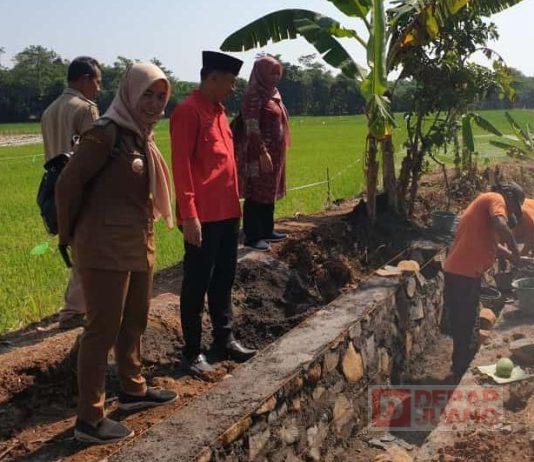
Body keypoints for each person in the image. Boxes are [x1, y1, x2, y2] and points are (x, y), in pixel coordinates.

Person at [55, 63, 177, 444]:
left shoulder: (141, 136)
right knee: (102, 328)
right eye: (147, 95)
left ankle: (133, 387)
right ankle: (89, 419)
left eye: (161, 97)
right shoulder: (105, 133)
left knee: (135, 319)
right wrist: (69, 235)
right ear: (129, 93)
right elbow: (67, 184)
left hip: (138, 242)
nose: (154, 103)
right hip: (104, 246)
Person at [170, 51, 256, 377]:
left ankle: (224, 338)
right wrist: (189, 215)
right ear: (212, 78)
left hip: (228, 211)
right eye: (230, 82)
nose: (233, 88)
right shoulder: (187, 112)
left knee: (224, 278)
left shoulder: (219, 113)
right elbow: (181, 167)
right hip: (203, 216)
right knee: (197, 282)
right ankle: (192, 351)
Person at [41, 56, 102, 329]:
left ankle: (81, 305)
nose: (99, 88)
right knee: (88, 247)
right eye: (97, 82)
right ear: (85, 79)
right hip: (81, 186)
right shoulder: (86, 109)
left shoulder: (49, 110)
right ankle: (74, 310)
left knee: (76, 243)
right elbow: (96, 152)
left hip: (54, 187)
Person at [443, 182, 525, 379]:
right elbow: (501, 224)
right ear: (508, 195)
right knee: (465, 322)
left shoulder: (486, 209)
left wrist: (515, 257)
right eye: (514, 207)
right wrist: (515, 251)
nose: (511, 212)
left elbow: (494, 246)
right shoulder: (495, 198)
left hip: (464, 273)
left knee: (467, 320)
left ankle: (461, 366)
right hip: (462, 274)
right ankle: (459, 371)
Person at [236, 56, 291, 251]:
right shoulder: (253, 95)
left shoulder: (274, 93)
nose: (275, 77)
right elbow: (251, 125)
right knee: (255, 193)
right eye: (271, 73)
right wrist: (262, 151)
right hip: (257, 153)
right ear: (261, 73)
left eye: (278, 73)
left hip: (275, 154)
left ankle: (267, 230)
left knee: (269, 191)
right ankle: (252, 236)